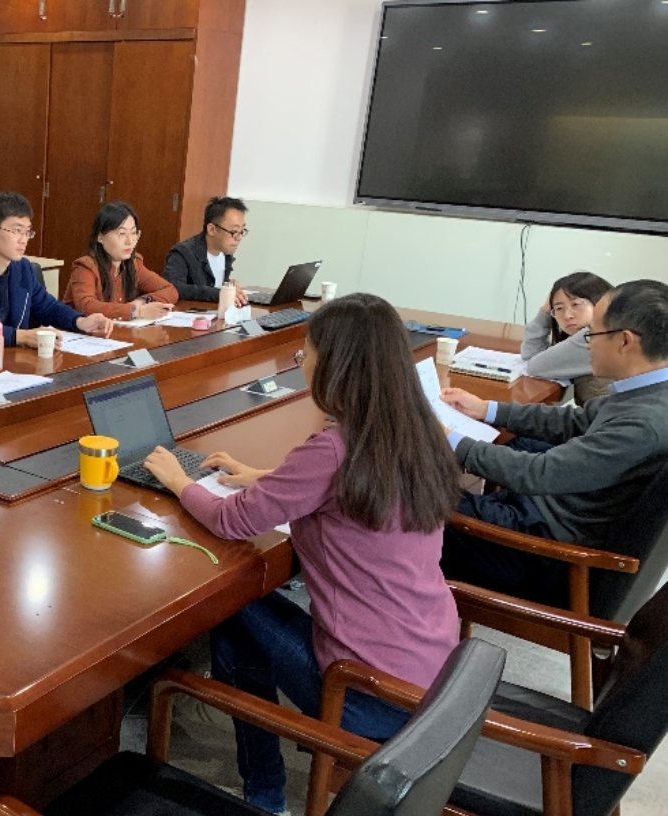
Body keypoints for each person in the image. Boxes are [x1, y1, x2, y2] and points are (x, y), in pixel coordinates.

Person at [143, 293, 460, 815]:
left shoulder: (333, 450)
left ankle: (264, 793)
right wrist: (265, 477)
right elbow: (350, 489)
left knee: (230, 609)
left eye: (305, 352)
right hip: (431, 671)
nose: (302, 361)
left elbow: (231, 520)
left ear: (336, 365)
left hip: (366, 692)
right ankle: (263, 790)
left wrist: (179, 480)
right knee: (245, 620)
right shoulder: (416, 432)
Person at [440, 279, 668, 607]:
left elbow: (539, 473)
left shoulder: (645, 423)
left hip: (544, 552)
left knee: (409, 507)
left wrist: (449, 439)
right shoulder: (647, 391)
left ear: (625, 341)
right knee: (506, 449)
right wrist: (487, 409)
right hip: (549, 513)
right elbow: (573, 421)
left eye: (591, 333)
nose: (585, 344)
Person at [0, 192, 113, 348]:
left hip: (12, 361)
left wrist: (80, 321)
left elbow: (48, 307)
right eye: (17, 231)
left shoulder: (22, 268)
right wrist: (21, 336)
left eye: (27, 232)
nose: (24, 240)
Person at [62, 201, 178, 320]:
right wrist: (136, 311)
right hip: (80, 330)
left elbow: (170, 290)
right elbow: (87, 306)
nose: (129, 241)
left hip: (118, 329)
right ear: (100, 237)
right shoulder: (86, 266)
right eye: (122, 234)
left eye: (133, 233)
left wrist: (142, 301)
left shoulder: (133, 264)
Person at [520, 270, 613, 404]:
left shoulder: (593, 336)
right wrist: (546, 310)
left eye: (576, 304)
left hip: (612, 416)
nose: (567, 315)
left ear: (600, 303)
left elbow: (535, 367)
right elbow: (530, 355)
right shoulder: (608, 329)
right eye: (559, 308)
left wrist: (544, 312)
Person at [162, 196, 250, 306]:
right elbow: (172, 288)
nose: (239, 238)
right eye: (234, 231)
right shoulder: (182, 253)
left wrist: (229, 286)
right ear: (211, 229)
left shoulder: (225, 253)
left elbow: (214, 283)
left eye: (242, 231)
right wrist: (219, 294)